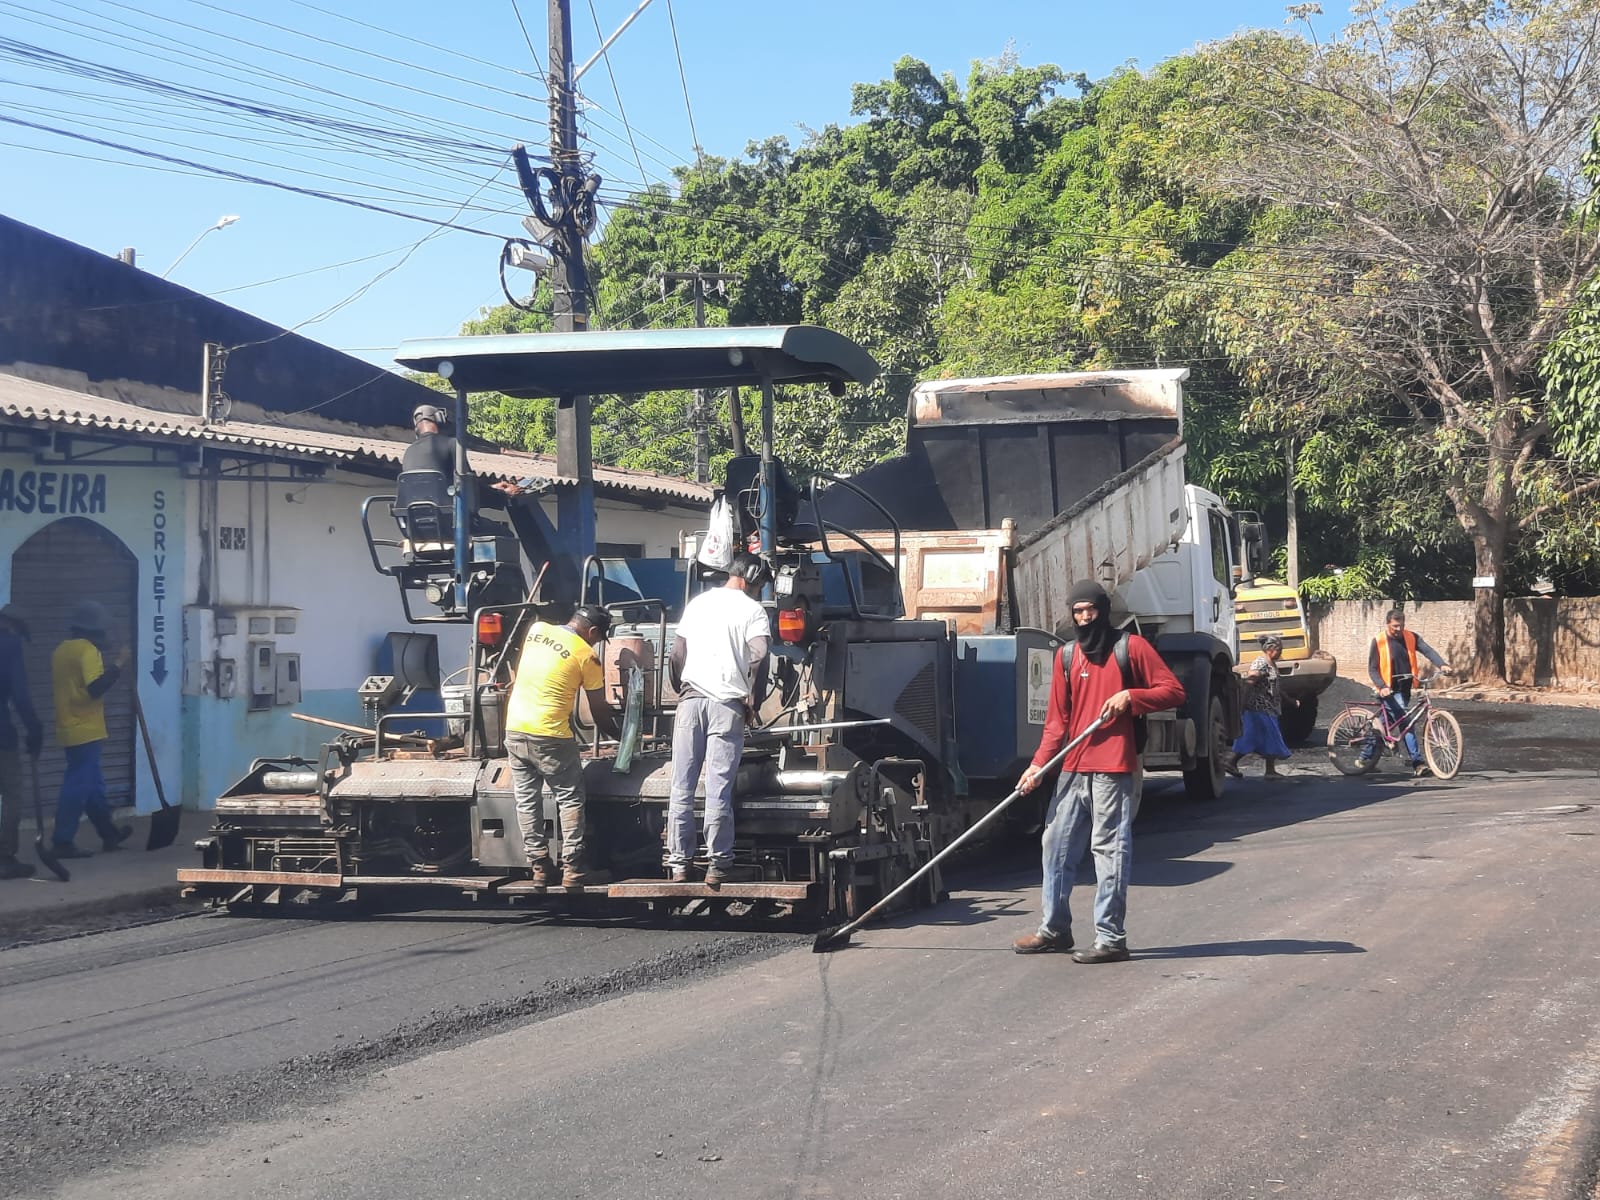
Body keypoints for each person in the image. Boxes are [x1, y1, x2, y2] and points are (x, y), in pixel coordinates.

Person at [1012, 580, 1184, 963]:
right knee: (1054, 845)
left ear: (1104, 610)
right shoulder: (1067, 657)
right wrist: (1039, 765)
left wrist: (1132, 697)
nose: (1085, 617)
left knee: (1107, 849)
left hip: (1113, 767)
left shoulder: (1131, 648)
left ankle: (1110, 938)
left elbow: (1173, 691)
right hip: (1072, 765)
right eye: (1078, 612)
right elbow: (1057, 722)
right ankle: (1054, 930)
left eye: (1091, 610)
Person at [664, 551, 772, 888]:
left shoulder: (698, 603)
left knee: (681, 787)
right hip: (726, 706)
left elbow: (677, 654)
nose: (758, 591)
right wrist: (753, 700)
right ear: (750, 576)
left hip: (690, 703)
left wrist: (681, 688)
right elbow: (760, 655)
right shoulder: (752, 610)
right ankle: (717, 865)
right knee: (717, 789)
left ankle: (680, 864)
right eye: (759, 585)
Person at [503, 605, 621, 889]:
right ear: (592, 632)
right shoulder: (587, 656)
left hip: (515, 728)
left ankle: (540, 867)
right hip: (551, 735)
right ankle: (573, 868)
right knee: (569, 798)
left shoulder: (537, 630)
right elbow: (599, 711)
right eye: (598, 637)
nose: (595, 643)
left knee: (527, 799)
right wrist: (623, 737)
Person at [50, 600, 133, 858]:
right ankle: (62, 841)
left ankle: (109, 834)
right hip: (85, 729)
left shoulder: (61, 651)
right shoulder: (87, 650)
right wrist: (119, 665)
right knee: (77, 785)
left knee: (93, 786)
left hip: (68, 726)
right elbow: (95, 688)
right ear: (94, 629)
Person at [1365, 608, 1452, 777]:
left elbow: (1428, 650)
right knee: (1406, 722)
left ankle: (1364, 758)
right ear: (1388, 624)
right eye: (1395, 626)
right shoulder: (1379, 641)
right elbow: (1372, 669)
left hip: (1404, 688)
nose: (1399, 629)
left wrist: (1442, 664)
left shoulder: (1411, 637)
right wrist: (1382, 686)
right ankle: (1417, 763)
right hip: (1388, 689)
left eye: (1401, 625)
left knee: (1382, 726)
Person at [0, 605, 44, 879]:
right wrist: (34, 728)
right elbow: (20, 693)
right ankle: (5, 857)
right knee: (12, 794)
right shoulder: (9, 643)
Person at [1225, 635, 1295, 778]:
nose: (1281, 652)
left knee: (1261, 737)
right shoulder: (1261, 663)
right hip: (1258, 708)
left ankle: (1265, 769)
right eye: (1279, 649)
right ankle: (1234, 762)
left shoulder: (1271, 664)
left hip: (1269, 708)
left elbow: (1275, 686)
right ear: (1270, 649)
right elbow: (1249, 683)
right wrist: (1243, 704)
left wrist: (1289, 700)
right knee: (1264, 736)